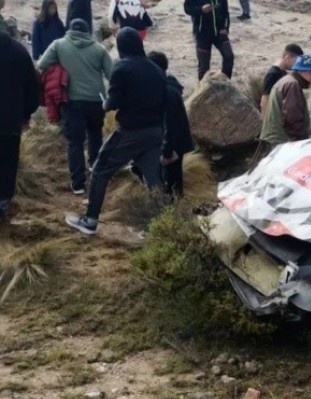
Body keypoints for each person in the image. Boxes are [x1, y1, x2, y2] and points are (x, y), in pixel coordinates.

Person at [65, 28, 167, 236]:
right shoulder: (156, 70)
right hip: (155, 131)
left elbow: (113, 102)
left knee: (100, 169)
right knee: (153, 181)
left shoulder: (122, 67)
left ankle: (90, 221)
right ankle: (165, 228)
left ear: (121, 47)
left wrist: (105, 104)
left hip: (130, 131)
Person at [37, 19, 113, 195]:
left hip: (71, 101)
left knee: (75, 142)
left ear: (69, 30)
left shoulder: (58, 45)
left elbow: (41, 65)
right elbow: (112, 74)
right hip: (96, 100)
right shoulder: (99, 49)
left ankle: (78, 184)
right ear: (87, 31)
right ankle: (96, 173)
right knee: (95, 135)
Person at [0, 30, 40, 223]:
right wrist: (26, 114)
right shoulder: (19, 52)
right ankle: (2, 206)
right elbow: (33, 87)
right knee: (7, 164)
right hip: (10, 121)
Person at [148, 51, 194, 197]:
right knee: (174, 182)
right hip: (176, 143)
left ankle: (173, 207)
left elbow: (169, 124)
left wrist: (166, 151)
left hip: (172, 146)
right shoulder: (169, 87)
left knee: (171, 184)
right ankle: (175, 205)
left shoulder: (167, 92)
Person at [259, 54, 311, 148]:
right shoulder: (292, 85)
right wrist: (301, 143)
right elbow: (293, 118)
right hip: (282, 141)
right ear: (301, 71)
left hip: (276, 139)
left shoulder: (287, 81)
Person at [184, 0, 233, 80]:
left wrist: (226, 28)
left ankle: (225, 82)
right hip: (202, 34)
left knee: (229, 56)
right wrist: (201, 9)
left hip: (219, 33)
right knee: (204, 67)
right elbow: (187, 8)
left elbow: (226, 13)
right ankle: (203, 86)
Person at [260, 44, 303, 117]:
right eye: (296, 62)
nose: (297, 66)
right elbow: (264, 102)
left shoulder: (283, 73)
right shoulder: (272, 75)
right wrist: (267, 121)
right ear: (287, 58)